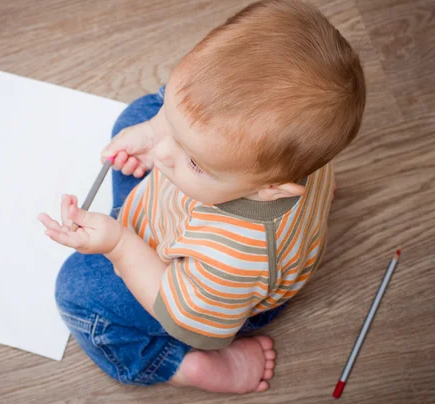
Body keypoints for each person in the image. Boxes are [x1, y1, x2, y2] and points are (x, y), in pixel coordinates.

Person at [38, 0, 365, 393]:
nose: (160, 153)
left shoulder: (234, 257)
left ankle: (178, 365)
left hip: (198, 298)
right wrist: (156, 129)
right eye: (173, 126)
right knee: (141, 113)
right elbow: (175, 138)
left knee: (77, 292)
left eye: (192, 160)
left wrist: (120, 245)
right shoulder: (286, 154)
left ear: (270, 189)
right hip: (177, 212)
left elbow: (186, 317)